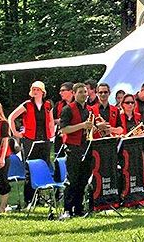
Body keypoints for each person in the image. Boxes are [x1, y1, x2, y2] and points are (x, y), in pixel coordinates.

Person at [8, 80, 55, 205]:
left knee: (44, 166)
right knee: (30, 168)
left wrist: (52, 135)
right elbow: (11, 117)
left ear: (42, 92)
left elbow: (50, 121)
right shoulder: (27, 104)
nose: (35, 91)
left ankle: (41, 197)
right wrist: (15, 133)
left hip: (44, 139)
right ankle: (29, 199)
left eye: (37, 89)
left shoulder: (48, 105)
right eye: (33, 89)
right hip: (29, 139)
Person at [59, 83, 97, 219]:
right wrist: (82, 126)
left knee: (83, 179)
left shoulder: (88, 110)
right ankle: (67, 210)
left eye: (85, 92)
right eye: (81, 92)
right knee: (72, 180)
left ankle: (78, 208)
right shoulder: (67, 109)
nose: (84, 94)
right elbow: (64, 130)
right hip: (72, 147)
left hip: (85, 147)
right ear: (74, 93)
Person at [54, 82, 74, 157]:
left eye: (63, 90)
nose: (60, 93)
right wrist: (59, 121)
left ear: (71, 91)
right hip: (60, 137)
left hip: (74, 137)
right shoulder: (58, 105)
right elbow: (51, 119)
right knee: (59, 160)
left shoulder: (78, 104)